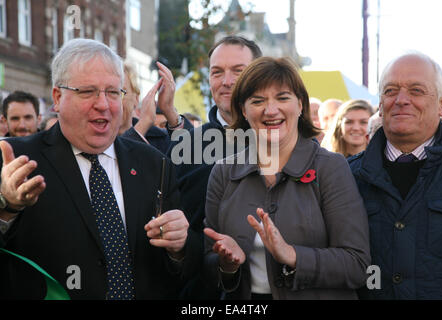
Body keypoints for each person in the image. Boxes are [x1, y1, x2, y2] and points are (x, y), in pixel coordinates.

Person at [0, 38, 201, 299]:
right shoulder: (15, 160)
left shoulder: (154, 163)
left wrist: (180, 247)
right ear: (58, 97)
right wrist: (7, 206)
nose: (103, 104)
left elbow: (183, 268)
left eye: (113, 92)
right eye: (88, 92)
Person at [203, 57, 371, 300]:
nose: (271, 110)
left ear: (300, 105)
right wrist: (226, 264)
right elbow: (208, 264)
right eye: (258, 101)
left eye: (282, 98)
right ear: (243, 109)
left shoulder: (331, 167)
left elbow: (357, 265)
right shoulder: (223, 172)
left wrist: (292, 255)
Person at [349, 52, 442, 299]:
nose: (401, 100)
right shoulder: (346, 176)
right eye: (391, 91)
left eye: (416, 91)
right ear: (380, 104)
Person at [169, 35, 262, 299]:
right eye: (217, 72)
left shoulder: (287, 144)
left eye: (238, 71)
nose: (227, 81)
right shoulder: (185, 147)